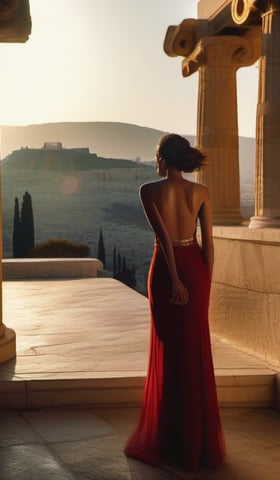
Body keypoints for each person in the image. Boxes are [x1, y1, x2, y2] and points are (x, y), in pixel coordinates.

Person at [124, 134, 225, 472]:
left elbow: (163, 238)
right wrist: (203, 284)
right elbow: (208, 244)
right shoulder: (201, 192)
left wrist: (177, 280)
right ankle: (198, 444)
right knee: (194, 352)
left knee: (169, 352)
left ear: (162, 159)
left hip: (167, 274)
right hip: (195, 269)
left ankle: (171, 440)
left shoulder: (148, 190)